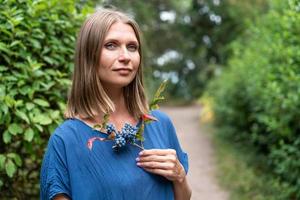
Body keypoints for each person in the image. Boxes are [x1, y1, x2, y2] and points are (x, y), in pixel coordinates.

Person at [40, 7, 191, 200]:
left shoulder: (159, 124)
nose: (126, 56)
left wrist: (179, 176)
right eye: (111, 45)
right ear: (88, 56)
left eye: (132, 47)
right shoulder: (65, 141)